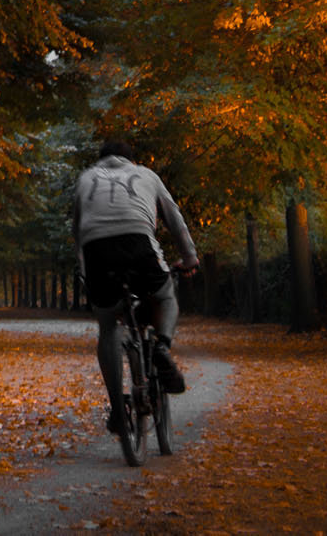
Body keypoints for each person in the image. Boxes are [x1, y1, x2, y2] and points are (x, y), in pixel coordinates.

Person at [71, 139, 201, 435]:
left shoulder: (86, 178)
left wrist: (85, 273)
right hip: (138, 245)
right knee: (166, 296)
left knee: (107, 326)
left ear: (99, 160)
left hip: (97, 252)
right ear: (131, 160)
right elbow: (175, 220)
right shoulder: (147, 175)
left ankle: (118, 411)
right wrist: (189, 258)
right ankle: (161, 346)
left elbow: (78, 233)